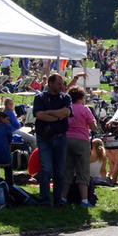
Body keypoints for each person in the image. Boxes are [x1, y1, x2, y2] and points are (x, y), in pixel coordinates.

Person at [33, 73, 72, 207]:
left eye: (62, 83)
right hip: (44, 138)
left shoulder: (66, 97)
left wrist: (49, 112)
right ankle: (44, 199)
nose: (62, 86)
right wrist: (58, 116)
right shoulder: (40, 98)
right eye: (59, 83)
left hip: (60, 137)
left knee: (60, 171)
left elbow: (67, 112)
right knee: (46, 169)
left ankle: (58, 199)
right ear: (50, 84)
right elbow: (39, 115)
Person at [62, 86, 97, 207]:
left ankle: (63, 198)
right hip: (81, 140)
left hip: (66, 140)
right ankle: (84, 200)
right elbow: (93, 127)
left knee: (68, 171)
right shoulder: (85, 109)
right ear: (81, 98)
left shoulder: (66, 109)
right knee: (83, 171)